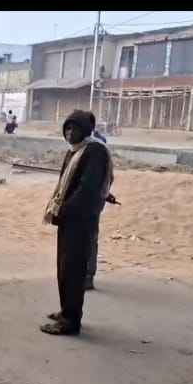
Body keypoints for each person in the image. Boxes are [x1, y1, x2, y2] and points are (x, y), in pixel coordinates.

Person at [41, 110, 113, 336]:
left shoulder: (94, 152)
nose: (70, 133)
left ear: (86, 130)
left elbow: (87, 189)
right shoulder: (75, 151)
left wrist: (66, 209)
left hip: (80, 220)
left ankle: (71, 320)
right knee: (64, 268)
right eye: (67, 128)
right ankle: (66, 310)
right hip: (68, 219)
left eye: (75, 129)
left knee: (73, 270)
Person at [84, 111, 119, 291]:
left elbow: (101, 178)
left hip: (89, 203)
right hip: (89, 202)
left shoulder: (96, 148)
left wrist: (102, 194)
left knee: (88, 238)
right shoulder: (80, 147)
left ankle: (87, 276)